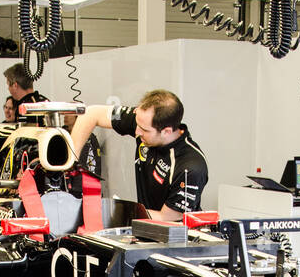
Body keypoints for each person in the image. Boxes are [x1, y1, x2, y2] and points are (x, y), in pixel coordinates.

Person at [68, 90, 208, 222]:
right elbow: (91, 114)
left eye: (144, 130)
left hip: (175, 240)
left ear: (166, 131)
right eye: (137, 123)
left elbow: (166, 218)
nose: (136, 131)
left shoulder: (190, 167)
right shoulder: (144, 121)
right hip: (145, 228)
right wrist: (71, 163)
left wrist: (117, 212)